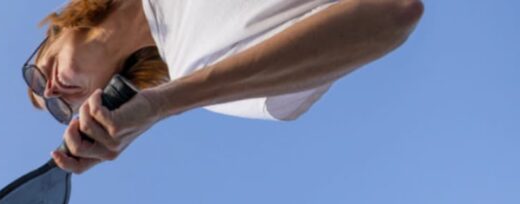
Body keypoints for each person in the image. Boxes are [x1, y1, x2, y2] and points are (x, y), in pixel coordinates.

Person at [23, 0, 424, 175]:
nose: (53, 92)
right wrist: (163, 103)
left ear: (54, 33)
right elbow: (390, 15)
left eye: (37, 77)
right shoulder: (200, 71)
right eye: (58, 108)